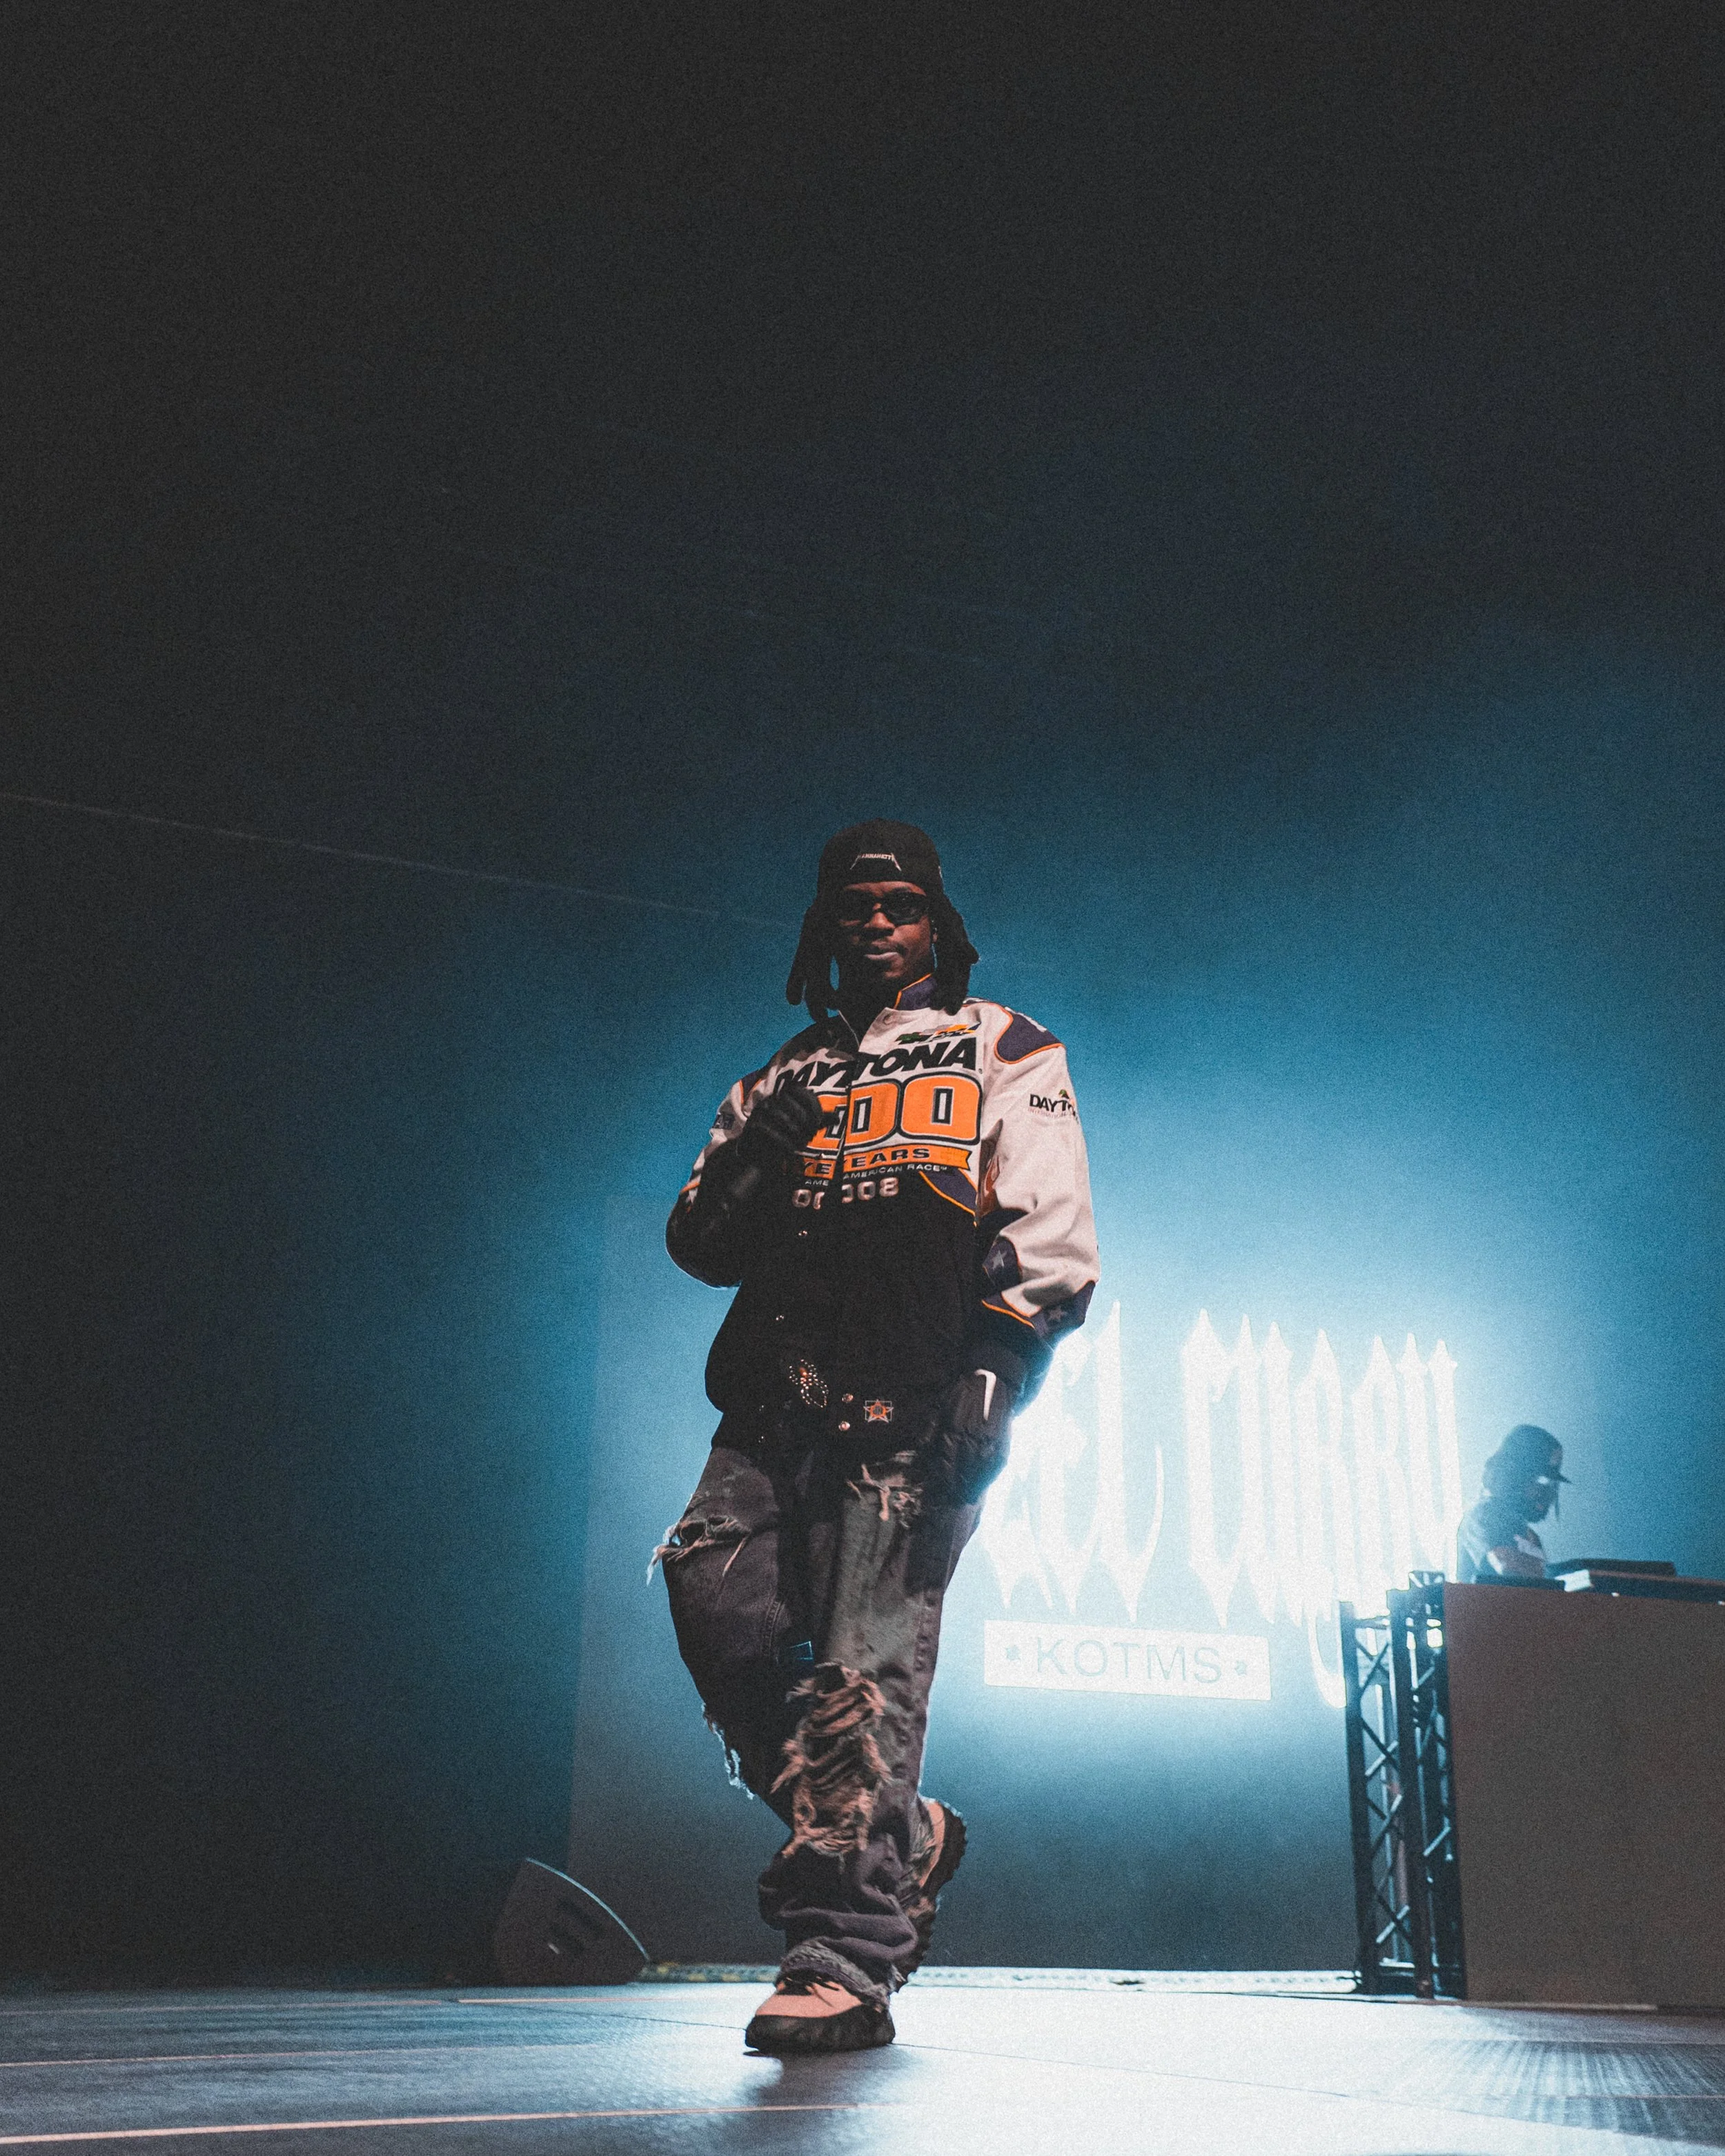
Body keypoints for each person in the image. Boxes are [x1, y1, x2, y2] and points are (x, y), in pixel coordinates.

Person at [657, 819, 1098, 2055]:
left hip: (909, 1408)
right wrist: (766, 1148)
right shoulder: (778, 1077)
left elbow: (1049, 1213)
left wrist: (1000, 1364)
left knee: (864, 1672)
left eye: (899, 906)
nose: (876, 923)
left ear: (935, 924)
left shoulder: (1005, 1044)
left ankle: (846, 1954)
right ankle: (902, 1835)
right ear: (824, 928)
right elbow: (697, 1244)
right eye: (854, 907)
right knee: (713, 1602)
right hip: (770, 1403)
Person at [1455, 1424, 1568, 1583]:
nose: (1548, 1493)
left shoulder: (1529, 1535)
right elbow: (1506, 1565)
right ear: (1515, 1475)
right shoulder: (1482, 1516)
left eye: (1552, 1484)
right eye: (1542, 1480)